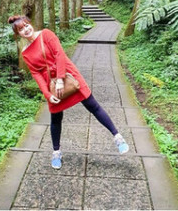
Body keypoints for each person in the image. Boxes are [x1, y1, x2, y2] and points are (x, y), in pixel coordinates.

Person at [8, 15, 129, 169]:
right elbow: (36, 74)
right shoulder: (25, 52)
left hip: (68, 75)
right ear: (18, 34)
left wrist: (60, 79)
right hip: (51, 84)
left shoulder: (46, 34)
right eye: (21, 29)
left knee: (92, 105)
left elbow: (59, 55)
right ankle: (56, 151)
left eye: (26, 25)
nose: (26, 30)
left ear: (30, 24)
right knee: (56, 118)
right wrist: (47, 94)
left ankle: (117, 137)